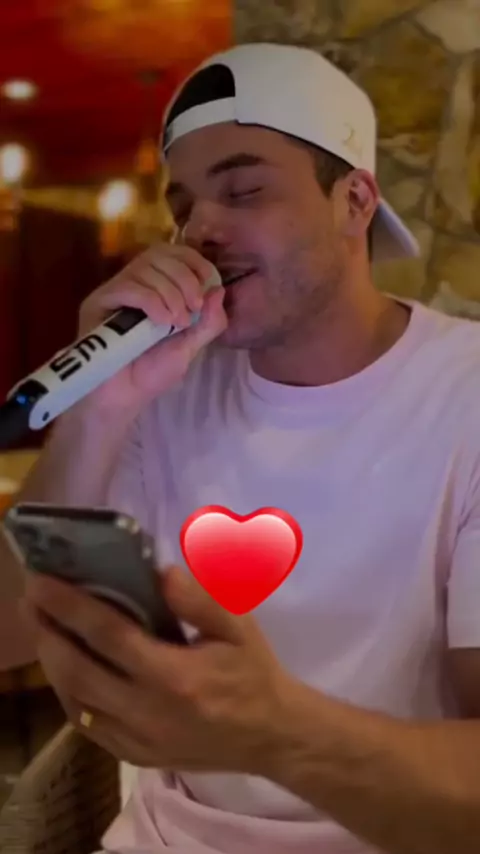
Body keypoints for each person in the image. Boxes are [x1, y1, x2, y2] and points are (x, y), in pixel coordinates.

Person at [19, 43, 480, 854]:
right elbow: (8, 635)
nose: (201, 231)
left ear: (355, 201)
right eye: (184, 206)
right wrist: (99, 408)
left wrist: (274, 732)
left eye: (243, 191)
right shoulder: (163, 390)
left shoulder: (463, 393)